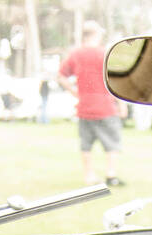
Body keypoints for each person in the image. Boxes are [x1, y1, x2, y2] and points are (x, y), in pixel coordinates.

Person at [59, 21, 124, 187]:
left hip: (85, 108)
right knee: (112, 143)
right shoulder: (105, 54)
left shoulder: (76, 54)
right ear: (96, 35)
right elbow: (116, 80)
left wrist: (74, 92)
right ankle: (111, 174)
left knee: (86, 145)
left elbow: (61, 76)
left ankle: (89, 176)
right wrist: (121, 104)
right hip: (106, 107)